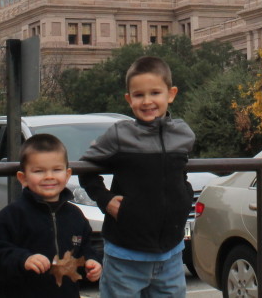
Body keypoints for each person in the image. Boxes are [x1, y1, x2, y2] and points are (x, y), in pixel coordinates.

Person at [79, 56, 195, 297]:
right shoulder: (119, 135)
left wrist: (183, 196)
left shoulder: (183, 134)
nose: (147, 101)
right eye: (139, 95)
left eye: (155, 93)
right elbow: (85, 168)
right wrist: (105, 199)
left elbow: (178, 172)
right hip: (125, 254)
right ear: (129, 99)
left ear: (170, 94)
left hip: (171, 254)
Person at [0, 133, 103, 297]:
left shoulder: (75, 216)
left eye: (57, 170)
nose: (49, 176)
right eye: (39, 171)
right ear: (22, 178)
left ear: (67, 175)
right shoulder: (12, 215)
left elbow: (86, 248)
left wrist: (92, 261)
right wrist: (23, 259)